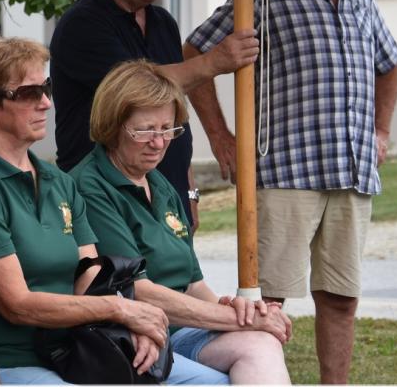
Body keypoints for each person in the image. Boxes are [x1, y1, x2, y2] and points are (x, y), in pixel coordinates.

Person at [183, 0, 397, 384]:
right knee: (268, 301)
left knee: (341, 298)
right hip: (285, 172)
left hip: (351, 171)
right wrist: (220, 137)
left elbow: (389, 62)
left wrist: (382, 131)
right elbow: (197, 51)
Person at [0, 35, 228, 385]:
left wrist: (127, 326)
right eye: (29, 93)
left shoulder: (58, 182)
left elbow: (91, 277)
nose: (46, 102)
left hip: (80, 350)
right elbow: (18, 304)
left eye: (46, 87)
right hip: (11, 361)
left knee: (213, 383)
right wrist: (121, 309)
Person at [73, 60, 292, 384]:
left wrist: (239, 312)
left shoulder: (159, 184)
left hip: (179, 331)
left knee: (261, 342)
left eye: (168, 129)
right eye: (145, 130)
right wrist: (233, 319)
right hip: (135, 336)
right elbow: (137, 291)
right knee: (253, 351)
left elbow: (193, 284)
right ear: (112, 125)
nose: (159, 142)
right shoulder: (90, 187)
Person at [50, 0, 259, 229]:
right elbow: (137, 86)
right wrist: (214, 61)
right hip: (107, 201)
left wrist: (188, 190)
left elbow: (173, 111)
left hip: (168, 196)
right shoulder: (82, 24)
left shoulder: (163, 23)